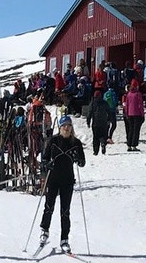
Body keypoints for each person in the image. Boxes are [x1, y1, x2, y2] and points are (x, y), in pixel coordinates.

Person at [38, 115, 86, 252]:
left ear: (71, 128)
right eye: (64, 126)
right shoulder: (53, 141)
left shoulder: (76, 142)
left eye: (69, 126)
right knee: (49, 206)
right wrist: (47, 164)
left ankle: (64, 239)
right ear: (60, 127)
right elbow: (44, 159)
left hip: (67, 180)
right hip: (53, 178)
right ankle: (44, 231)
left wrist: (78, 159)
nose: (67, 128)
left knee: (65, 211)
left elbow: (82, 162)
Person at [122, 81, 145, 151]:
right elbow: (140, 105)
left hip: (129, 113)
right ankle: (134, 145)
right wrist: (142, 114)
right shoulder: (138, 94)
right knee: (136, 130)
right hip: (137, 114)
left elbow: (127, 104)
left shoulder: (129, 94)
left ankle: (129, 144)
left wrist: (126, 113)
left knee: (130, 129)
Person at [89, 90, 113, 157]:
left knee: (96, 137)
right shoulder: (105, 103)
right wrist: (109, 119)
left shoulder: (93, 103)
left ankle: (95, 151)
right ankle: (103, 143)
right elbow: (109, 111)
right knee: (103, 135)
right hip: (103, 122)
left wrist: (88, 121)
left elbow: (90, 112)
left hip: (95, 123)